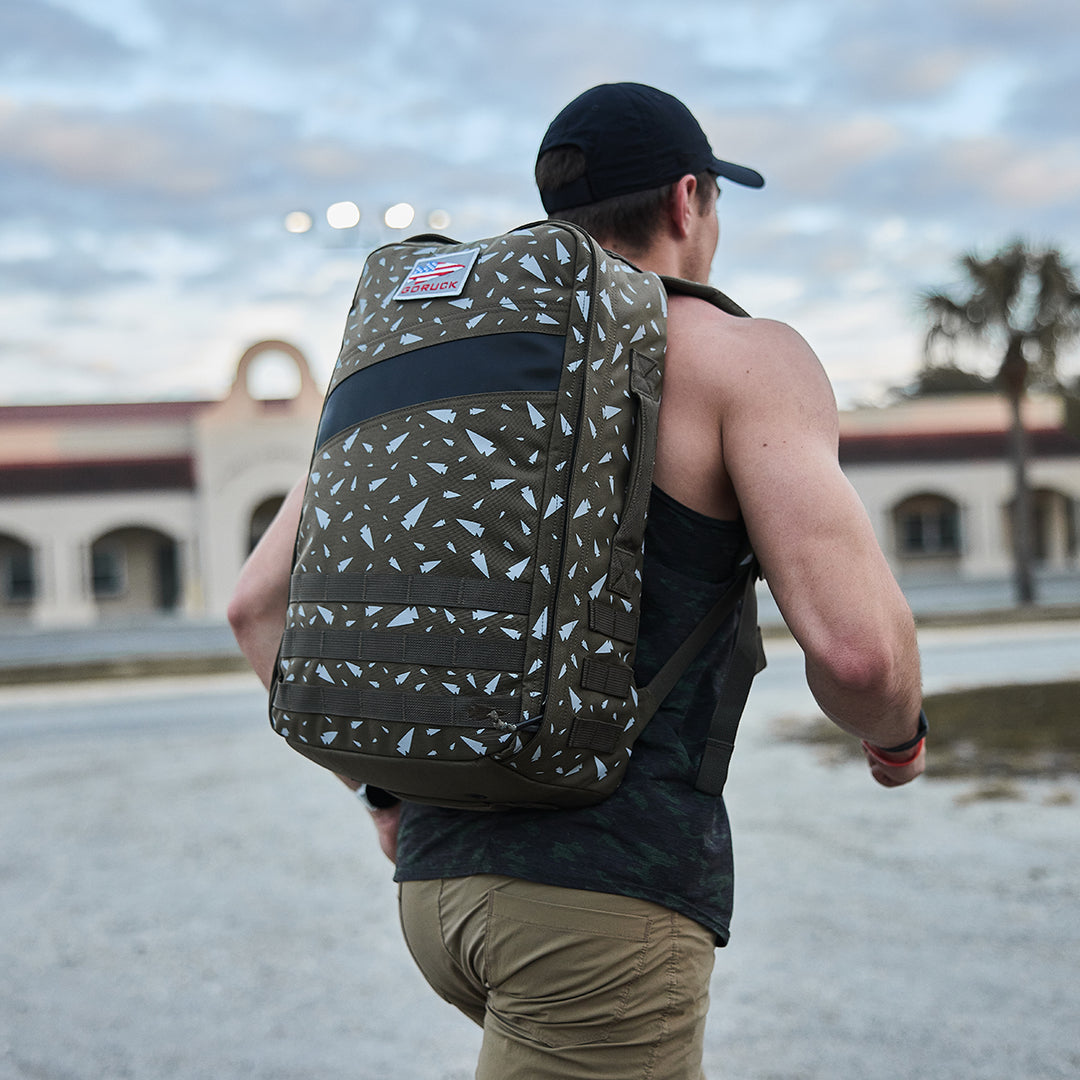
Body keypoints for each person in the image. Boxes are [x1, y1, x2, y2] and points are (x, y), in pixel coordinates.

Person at [229, 82, 925, 1080]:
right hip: (604, 911)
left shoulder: (445, 358)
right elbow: (857, 651)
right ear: (690, 200)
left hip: (435, 889)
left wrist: (386, 795)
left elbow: (256, 608)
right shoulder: (742, 357)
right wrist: (898, 736)